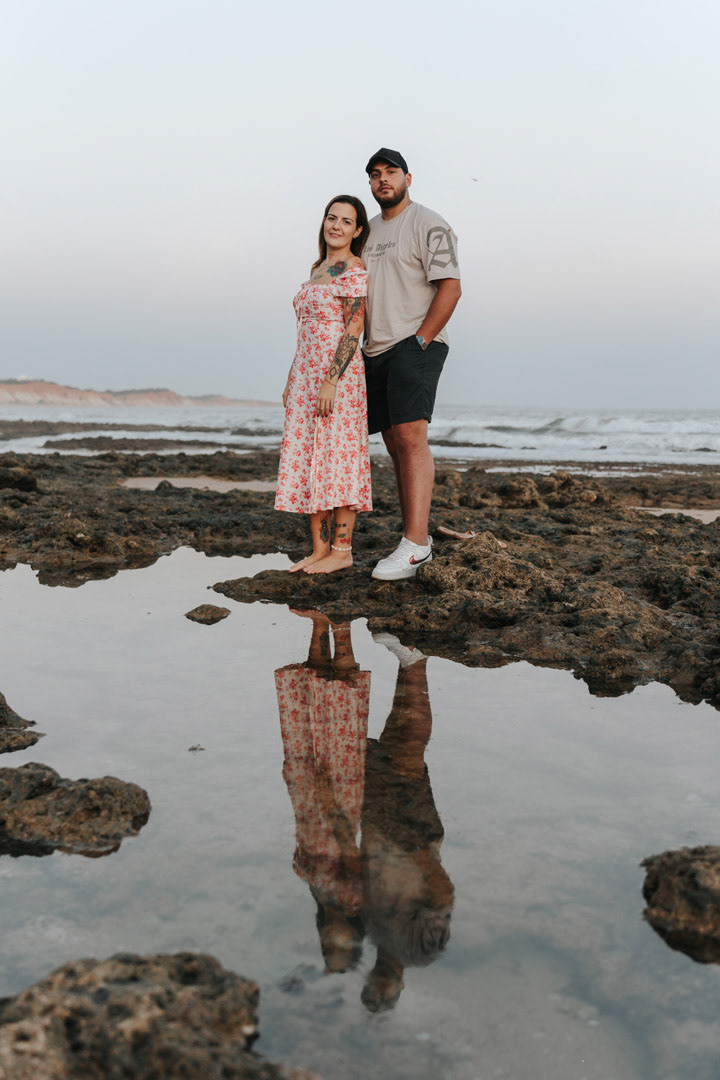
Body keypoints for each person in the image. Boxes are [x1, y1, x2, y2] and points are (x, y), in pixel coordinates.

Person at [362, 149, 462, 580]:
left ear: (407, 178)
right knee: (393, 442)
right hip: (374, 349)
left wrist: (420, 341)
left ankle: (416, 545)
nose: (383, 180)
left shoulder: (428, 223)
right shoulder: (366, 231)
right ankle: (415, 536)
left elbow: (451, 288)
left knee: (410, 436)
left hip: (414, 344)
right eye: (375, 175)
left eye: (390, 173)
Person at [275, 195, 372, 574]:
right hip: (305, 375)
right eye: (332, 218)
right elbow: (304, 333)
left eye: (346, 221)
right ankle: (318, 550)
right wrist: (292, 377)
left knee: (338, 458)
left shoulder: (353, 268)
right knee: (309, 458)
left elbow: (354, 325)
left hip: (339, 377)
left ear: (357, 230)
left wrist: (331, 380)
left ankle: (342, 550)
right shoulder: (317, 268)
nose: (336, 226)